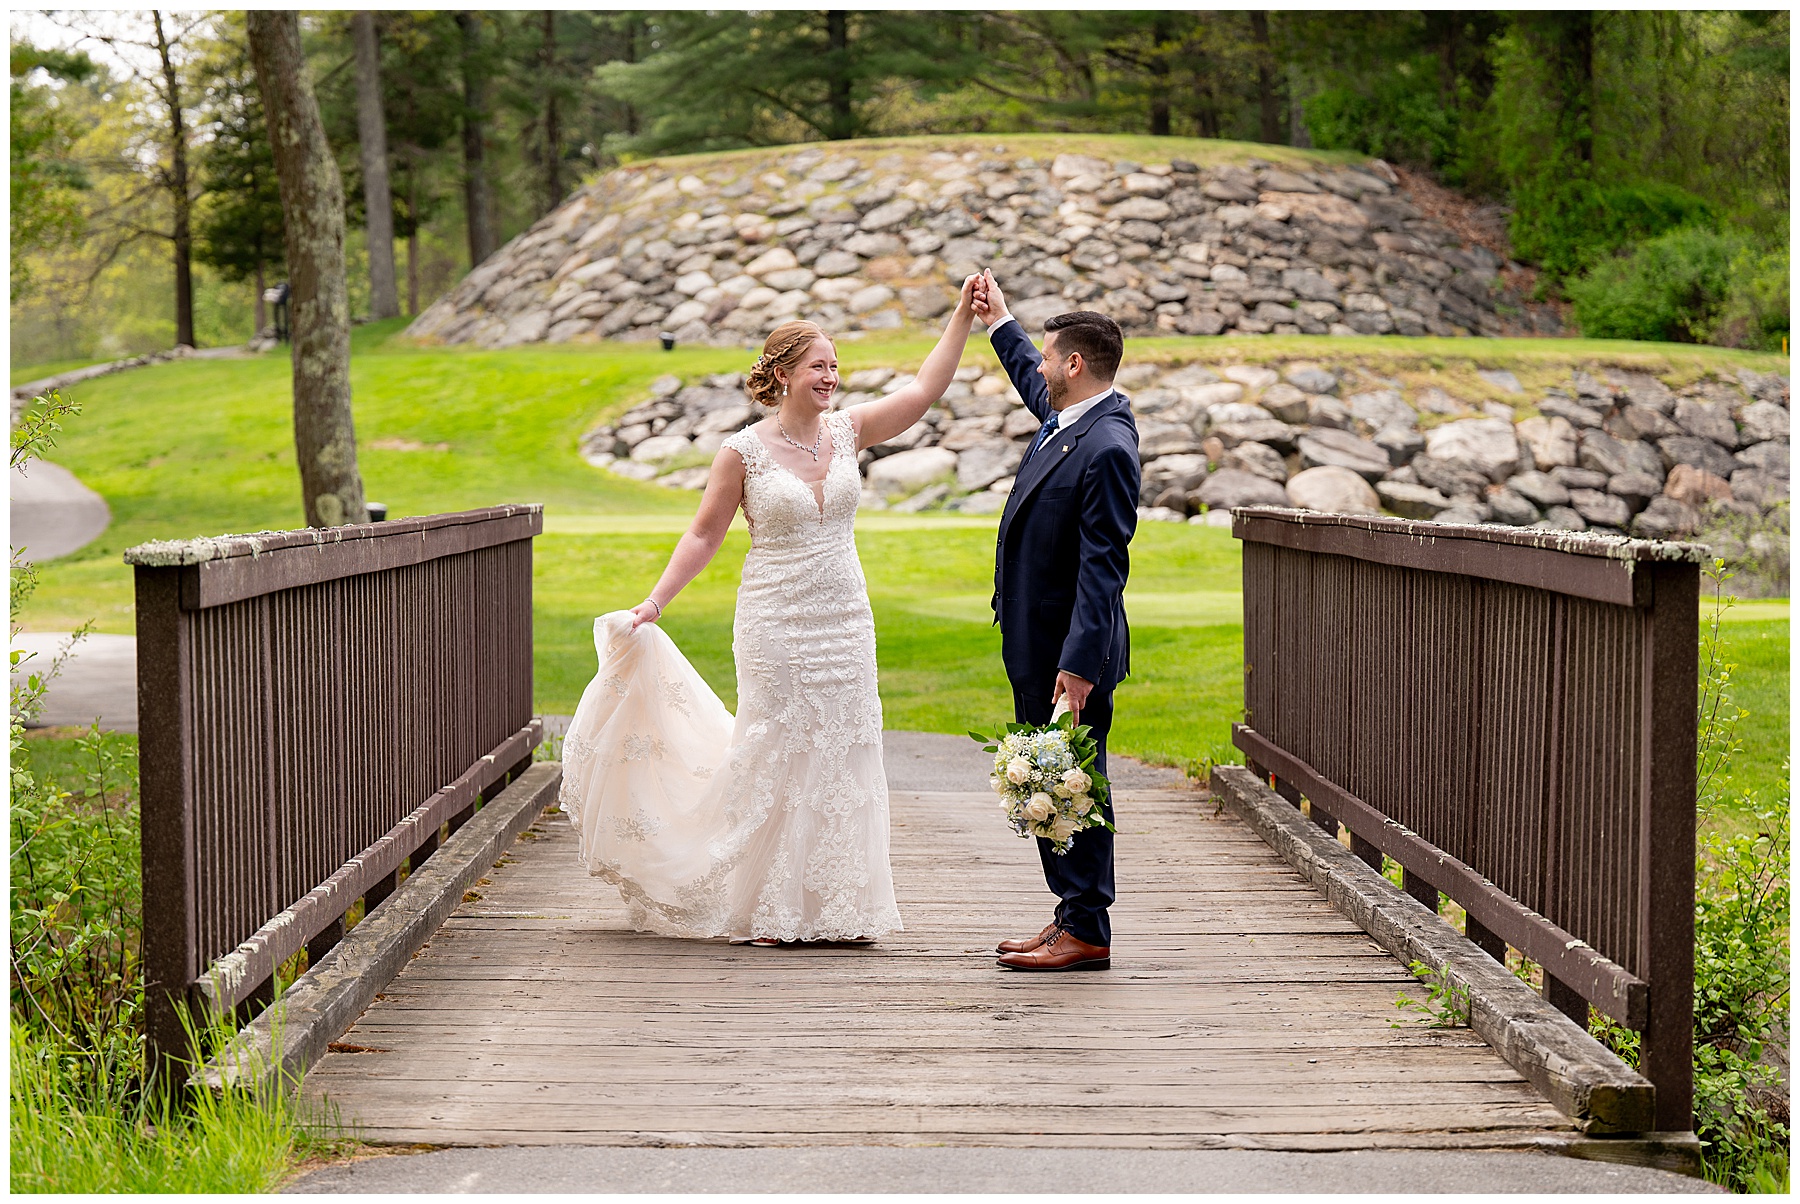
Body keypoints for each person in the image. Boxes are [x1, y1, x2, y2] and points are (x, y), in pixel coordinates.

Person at [558, 276, 985, 946]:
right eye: (820, 365)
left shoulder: (849, 433)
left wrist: (962, 316)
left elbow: (923, 391)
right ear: (783, 374)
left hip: (845, 617)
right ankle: (766, 909)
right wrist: (655, 601)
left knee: (843, 752)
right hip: (775, 622)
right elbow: (703, 533)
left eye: (837, 366)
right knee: (777, 748)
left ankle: (836, 908)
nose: (832, 376)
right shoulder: (743, 452)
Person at [972, 270, 1139, 972]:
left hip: (1070, 653)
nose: (1038, 369)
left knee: (1073, 778)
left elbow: (1104, 569)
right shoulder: (1072, 417)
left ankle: (1089, 930)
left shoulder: (1107, 446)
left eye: (1047, 357)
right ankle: (1069, 914)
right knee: (1049, 779)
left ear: (1074, 364)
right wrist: (999, 321)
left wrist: (1077, 666)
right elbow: (1024, 373)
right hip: (1038, 643)